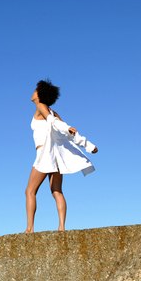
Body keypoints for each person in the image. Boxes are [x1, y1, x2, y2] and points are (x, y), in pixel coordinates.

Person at [25, 79, 98, 233]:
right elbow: (68, 133)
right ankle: (62, 228)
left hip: (45, 153)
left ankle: (29, 229)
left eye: (35, 90)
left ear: (39, 94)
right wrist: (88, 145)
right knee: (56, 191)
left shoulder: (41, 107)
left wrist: (84, 143)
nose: (32, 92)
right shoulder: (53, 112)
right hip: (56, 155)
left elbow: (56, 124)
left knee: (30, 191)